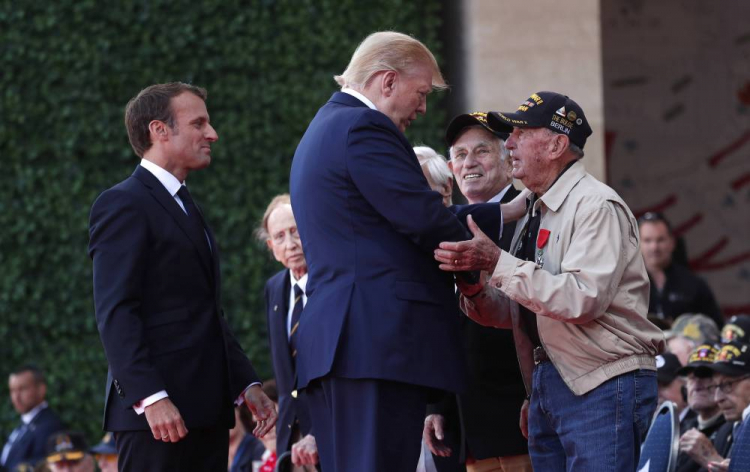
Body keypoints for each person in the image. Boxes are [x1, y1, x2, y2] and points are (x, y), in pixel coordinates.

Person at [289, 31, 525, 472]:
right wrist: (508, 210)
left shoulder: (324, 126)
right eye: (420, 93)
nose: (421, 107)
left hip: (347, 342)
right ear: (387, 81)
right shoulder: (363, 127)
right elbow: (423, 220)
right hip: (374, 341)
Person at [434, 91, 666, 471]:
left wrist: (496, 260)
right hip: (553, 383)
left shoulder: (595, 206)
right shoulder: (534, 208)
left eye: (521, 134)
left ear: (558, 144)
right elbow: (519, 309)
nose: (509, 143)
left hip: (602, 384)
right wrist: (474, 285)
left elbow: (580, 299)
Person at [88, 82, 276, 472]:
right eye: (199, 123)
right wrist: (151, 397)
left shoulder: (186, 203)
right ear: (160, 131)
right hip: (156, 420)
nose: (212, 134)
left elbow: (205, 310)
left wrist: (246, 384)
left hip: (206, 413)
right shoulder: (123, 203)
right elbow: (117, 311)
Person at [423, 113, 531, 472]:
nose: (469, 162)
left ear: (506, 159)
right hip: (462, 420)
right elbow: (436, 323)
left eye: (481, 151)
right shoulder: (444, 223)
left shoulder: (532, 212)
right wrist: (435, 404)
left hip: (520, 413)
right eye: (460, 153)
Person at [256, 194, 318, 467]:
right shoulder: (274, 288)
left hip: (333, 429)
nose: (290, 244)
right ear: (271, 246)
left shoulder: (334, 280)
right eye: (279, 237)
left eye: (296, 232)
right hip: (290, 437)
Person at [638, 212, 723, 327]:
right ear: (637, 243)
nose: (654, 247)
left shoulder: (694, 284)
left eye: (660, 240)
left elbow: (716, 327)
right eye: (647, 240)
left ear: (672, 243)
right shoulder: (626, 282)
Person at [685, 342, 750, 471]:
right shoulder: (725, 431)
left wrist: (713, 460)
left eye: (727, 385)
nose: (718, 398)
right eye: (716, 387)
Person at [1, 365, 64, 471]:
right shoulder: (25, 423)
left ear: (41, 390)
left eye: (22, 389)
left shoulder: (49, 426)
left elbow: (40, 465)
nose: (16, 397)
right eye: (12, 390)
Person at [675, 345, 725, 472]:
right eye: (691, 378)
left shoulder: (735, 428)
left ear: (723, 382)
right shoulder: (678, 428)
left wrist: (711, 458)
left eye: (705, 375)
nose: (697, 384)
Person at [657, 352, 691, 428]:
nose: (656, 394)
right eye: (651, 387)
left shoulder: (700, 423)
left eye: (664, 385)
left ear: (685, 385)